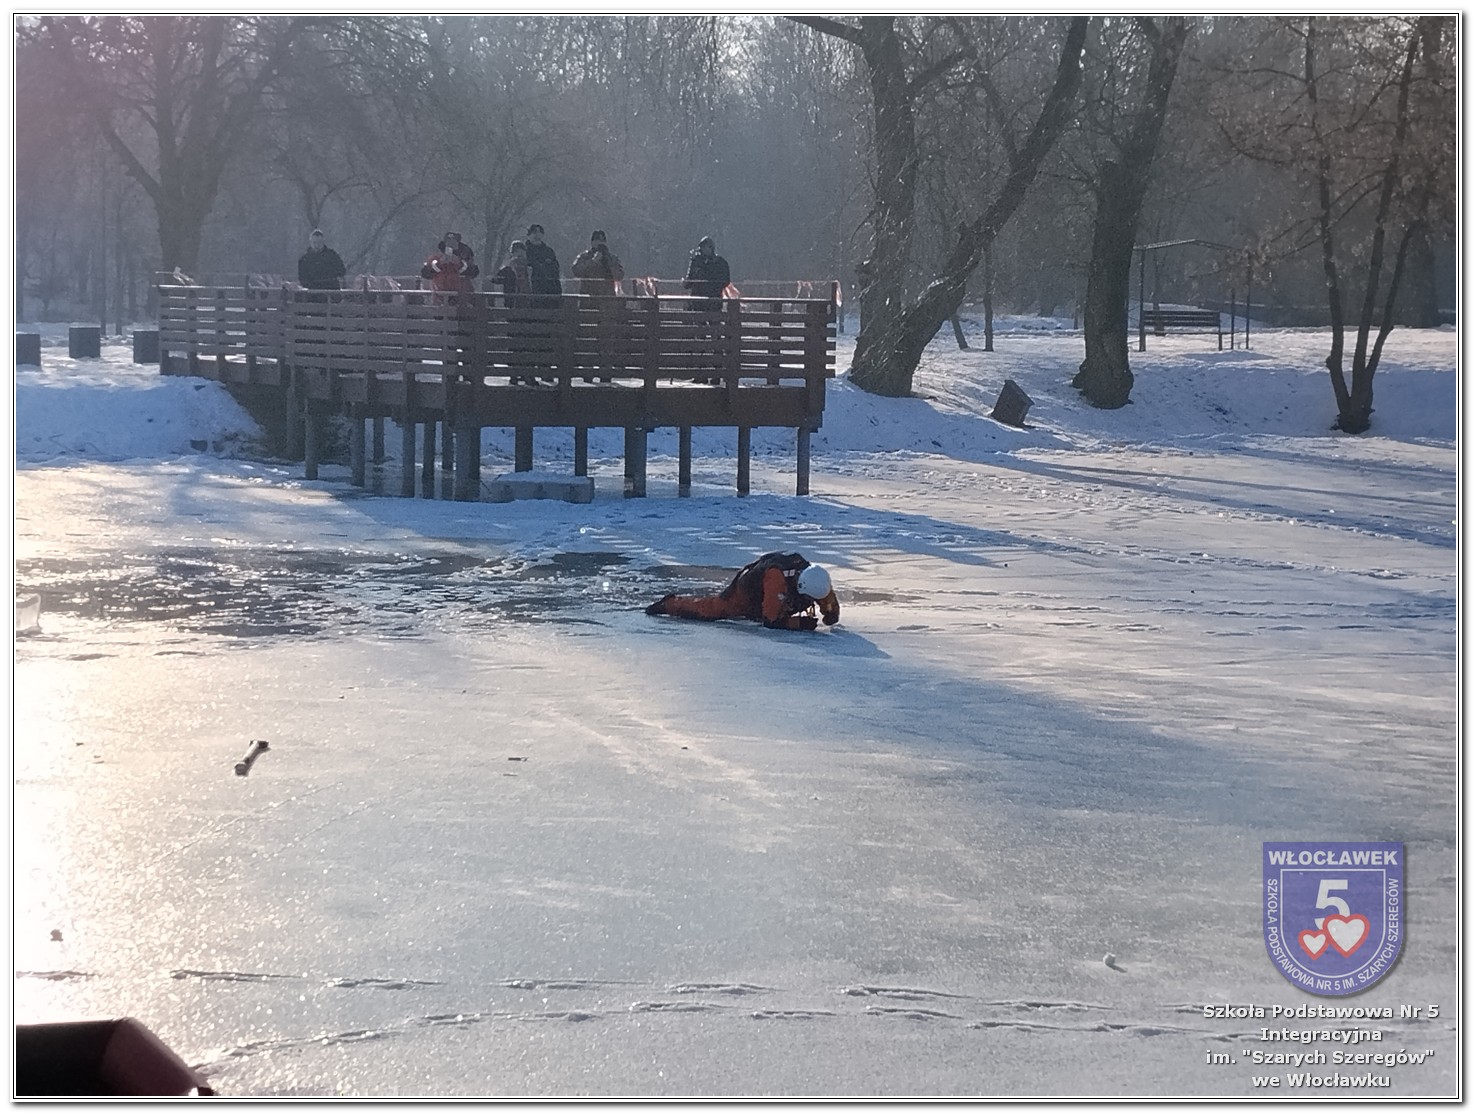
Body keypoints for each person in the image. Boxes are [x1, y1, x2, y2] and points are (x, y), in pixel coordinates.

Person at [645, 552, 840, 631]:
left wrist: (831, 612)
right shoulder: (777, 580)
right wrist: (798, 623)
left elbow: (827, 598)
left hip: (773, 587)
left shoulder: (815, 577)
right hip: (747, 593)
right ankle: (669, 604)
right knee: (711, 610)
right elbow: (771, 620)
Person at [570, 229, 624, 296]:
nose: (600, 243)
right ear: (592, 242)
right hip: (588, 296)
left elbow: (620, 276)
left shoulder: (612, 258)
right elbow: (576, 271)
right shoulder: (584, 257)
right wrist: (593, 261)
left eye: (602, 241)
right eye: (597, 240)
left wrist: (609, 262)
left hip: (607, 297)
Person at [682, 235, 730, 312]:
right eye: (702, 248)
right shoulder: (696, 261)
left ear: (712, 248)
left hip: (714, 300)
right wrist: (685, 282)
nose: (703, 250)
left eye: (706, 247)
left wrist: (713, 285)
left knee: (713, 318)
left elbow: (726, 281)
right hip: (697, 301)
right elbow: (689, 281)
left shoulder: (720, 262)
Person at [523, 224, 562, 305]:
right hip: (532, 289)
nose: (537, 235)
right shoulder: (524, 251)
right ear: (528, 235)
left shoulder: (548, 251)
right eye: (534, 232)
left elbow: (556, 269)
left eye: (539, 232)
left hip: (550, 289)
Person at [492, 240, 531, 307]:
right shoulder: (507, 268)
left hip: (527, 300)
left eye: (522, 252)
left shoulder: (529, 267)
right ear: (512, 254)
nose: (520, 254)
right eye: (517, 252)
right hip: (511, 301)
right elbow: (496, 279)